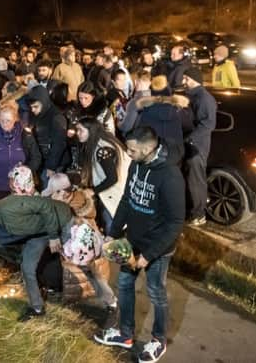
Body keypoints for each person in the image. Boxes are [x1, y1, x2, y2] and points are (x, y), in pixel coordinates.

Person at [95, 127, 185, 363]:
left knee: (156, 293)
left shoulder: (170, 175)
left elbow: (175, 223)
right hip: (131, 241)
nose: (128, 153)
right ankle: (125, 334)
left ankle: (158, 340)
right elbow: (127, 200)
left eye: (132, 149)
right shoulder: (136, 164)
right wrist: (113, 233)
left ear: (147, 149)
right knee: (124, 285)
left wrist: (149, 254)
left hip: (158, 248)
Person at [0, 166, 74, 321]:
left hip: (61, 220)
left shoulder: (7, 208)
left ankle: (109, 303)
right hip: (38, 233)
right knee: (27, 267)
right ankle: (37, 309)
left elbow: (45, 205)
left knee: (82, 263)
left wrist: (53, 236)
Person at [42, 173, 115, 308]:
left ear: (62, 193)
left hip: (78, 261)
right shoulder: (80, 200)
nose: (50, 197)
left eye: (52, 193)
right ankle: (109, 301)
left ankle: (109, 304)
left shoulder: (70, 214)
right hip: (93, 259)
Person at [75, 117, 130, 234]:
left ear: (91, 130)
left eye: (81, 130)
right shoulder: (104, 140)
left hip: (114, 193)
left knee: (112, 224)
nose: (77, 133)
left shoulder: (102, 150)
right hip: (121, 189)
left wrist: (93, 190)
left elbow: (112, 178)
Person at [182, 67, 217, 226]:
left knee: (196, 181)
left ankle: (199, 214)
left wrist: (189, 139)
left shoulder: (204, 98)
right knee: (190, 179)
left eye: (186, 79)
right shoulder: (192, 95)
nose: (183, 82)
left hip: (197, 147)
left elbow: (207, 124)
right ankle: (192, 209)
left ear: (193, 79)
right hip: (189, 145)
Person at [133, 75, 191, 163]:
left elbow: (139, 132)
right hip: (176, 153)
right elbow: (189, 127)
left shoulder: (145, 112)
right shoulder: (178, 111)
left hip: (154, 153)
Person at [27, 86, 69, 188]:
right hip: (42, 159)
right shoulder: (35, 114)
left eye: (35, 107)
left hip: (55, 162)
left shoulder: (56, 117)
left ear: (44, 102)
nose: (32, 110)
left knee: (48, 189)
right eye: (31, 107)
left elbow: (59, 144)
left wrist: (51, 167)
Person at [118, 70, 152, 135]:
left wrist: (118, 122)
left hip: (134, 138)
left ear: (136, 82)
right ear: (149, 83)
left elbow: (125, 127)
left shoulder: (134, 102)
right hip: (148, 137)